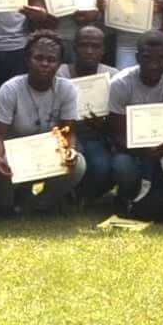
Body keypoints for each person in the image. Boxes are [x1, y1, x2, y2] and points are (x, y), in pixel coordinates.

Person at [103, 33, 163, 219]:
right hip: (133, 147)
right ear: (137, 57)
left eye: (160, 58)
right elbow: (116, 135)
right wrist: (144, 151)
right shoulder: (121, 83)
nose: (153, 64)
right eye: (147, 58)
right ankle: (128, 196)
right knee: (124, 166)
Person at [0, 32, 86, 214]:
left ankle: (41, 205)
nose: (45, 64)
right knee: (3, 168)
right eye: (38, 58)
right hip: (16, 156)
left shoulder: (67, 89)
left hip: (50, 154)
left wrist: (70, 150)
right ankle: (6, 205)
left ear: (59, 63)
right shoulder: (10, 89)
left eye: (51, 59)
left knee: (78, 164)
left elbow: (68, 131)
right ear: (27, 60)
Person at [58, 25, 121, 205]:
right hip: (66, 133)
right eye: (84, 45)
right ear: (75, 47)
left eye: (95, 46)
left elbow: (117, 117)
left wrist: (103, 124)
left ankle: (83, 196)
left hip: (97, 135)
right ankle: (65, 192)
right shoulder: (60, 73)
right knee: (69, 161)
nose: (89, 51)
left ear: (103, 50)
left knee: (101, 166)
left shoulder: (112, 75)